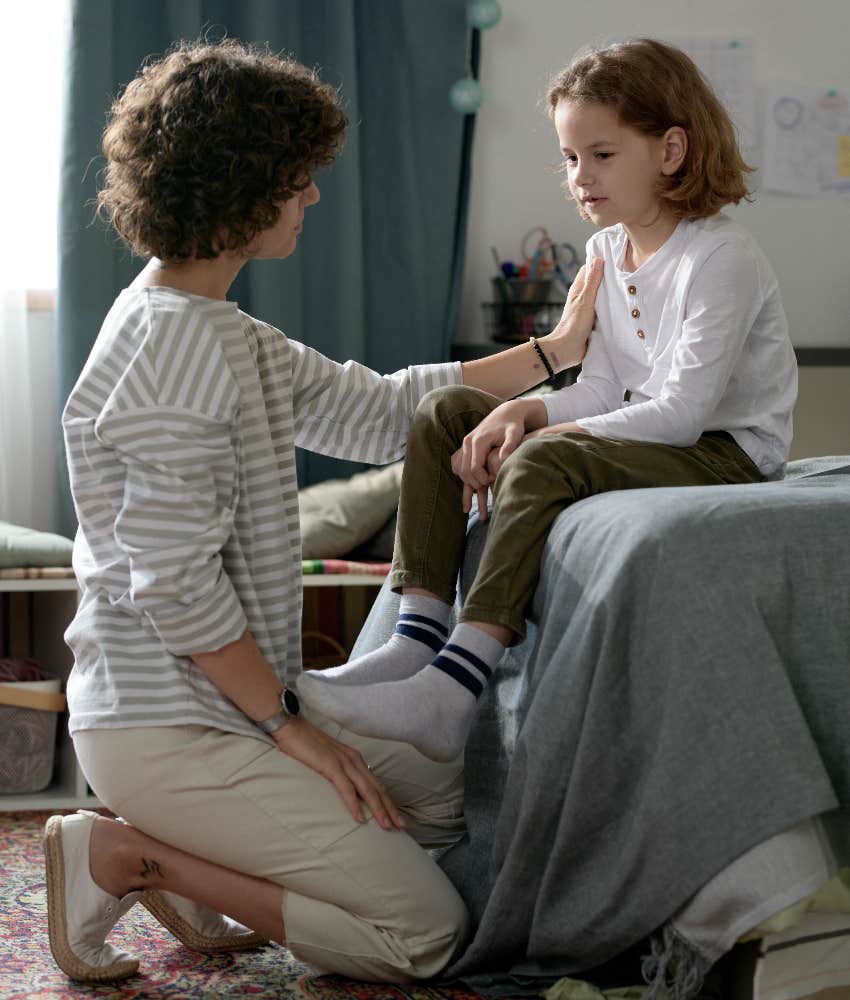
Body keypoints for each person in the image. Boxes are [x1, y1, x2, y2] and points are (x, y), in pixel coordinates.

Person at [45, 39, 602, 984]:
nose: (310, 198)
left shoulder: (213, 327)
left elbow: (384, 407)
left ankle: (207, 859)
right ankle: (133, 855)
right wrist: (291, 729)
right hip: (170, 726)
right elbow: (174, 587)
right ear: (244, 186)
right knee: (427, 936)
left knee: (432, 793)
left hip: (214, 709)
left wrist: (556, 351)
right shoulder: (175, 353)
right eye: (299, 179)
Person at [297, 37, 798, 764]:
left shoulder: (720, 258)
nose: (579, 176)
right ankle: (416, 639)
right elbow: (599, 386)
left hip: (726, 453)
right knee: (445, 414)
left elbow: (682, 412)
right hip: (668, 434)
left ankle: (458, 680)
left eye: (601, 154)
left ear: (670, 150)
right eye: (569, 158)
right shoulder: (603, 255)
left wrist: (539, 430)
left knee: (547, 458)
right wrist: (524, 408)